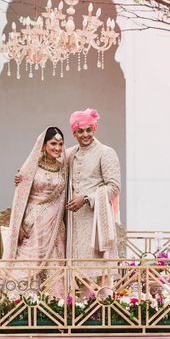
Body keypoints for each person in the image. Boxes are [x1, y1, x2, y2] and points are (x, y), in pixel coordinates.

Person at [3, 128, 67, 289]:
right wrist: (19, 225)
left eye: (60, 144)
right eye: (53, 143)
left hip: (55, 225)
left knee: (54, 262)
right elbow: (20, 197)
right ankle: (19, 301)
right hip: (32, 223)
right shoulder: (31, 166)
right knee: (26, 263)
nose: (57, 148)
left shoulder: (64, 168)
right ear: (44, 144)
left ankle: (55, 304)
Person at [65, 108, 121, 281]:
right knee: (78, 275)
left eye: (89, 130)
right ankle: (81, 306)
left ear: (95, 129)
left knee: (99, 273)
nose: (85, 134)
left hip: (96, 221)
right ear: (74, 132)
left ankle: (102, 306)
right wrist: (24, 176)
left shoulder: (106, 152)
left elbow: (114, 187)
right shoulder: (70, 154)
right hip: (73, 223)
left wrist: (87, 198)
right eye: (80, 131)